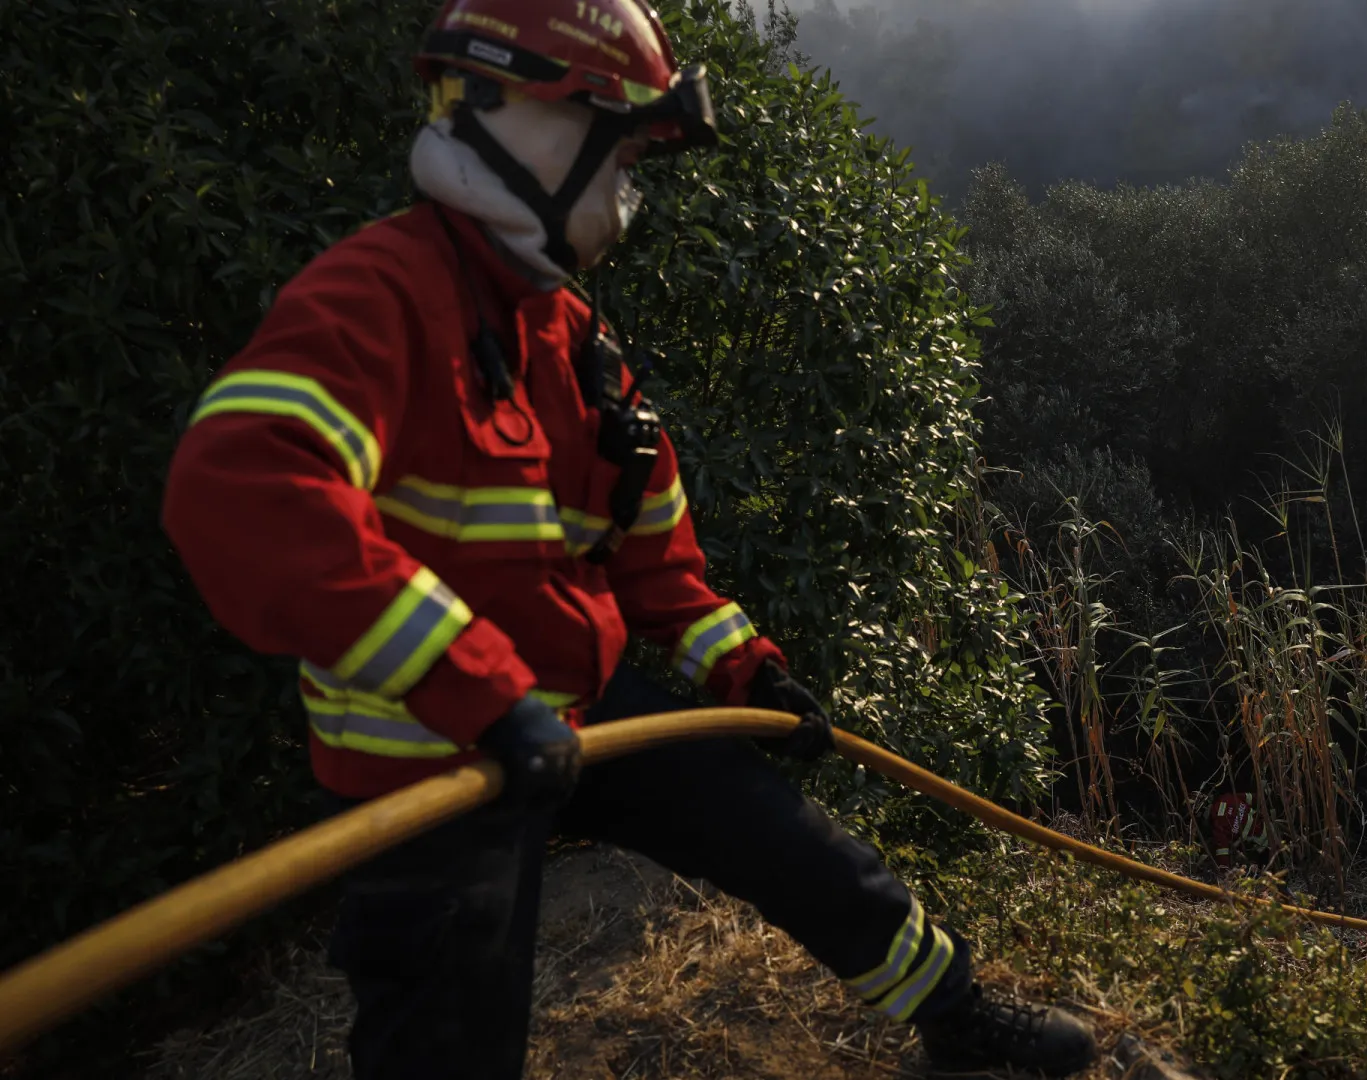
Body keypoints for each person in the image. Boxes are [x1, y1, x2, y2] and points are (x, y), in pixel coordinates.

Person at [159, 1, 1096, 1075]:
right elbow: (242, 484)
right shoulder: (376, 296)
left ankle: (955, 1015)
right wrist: (482, 694)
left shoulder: (565, 334)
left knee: (781, 837)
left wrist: (752, 670)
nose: (627, 198)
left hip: (571, 714)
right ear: (536, 127)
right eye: (624, 158)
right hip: (428, 761)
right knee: (450, 1024)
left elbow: (655, 553)